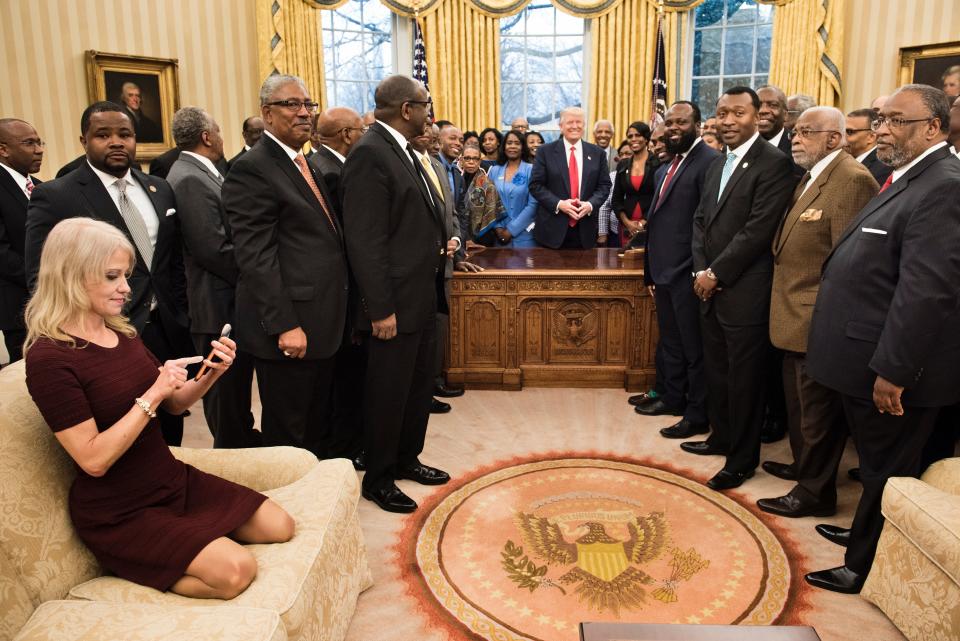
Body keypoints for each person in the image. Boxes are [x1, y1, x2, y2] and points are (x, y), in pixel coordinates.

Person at [23, 217, 293, 598]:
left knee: (281, 526)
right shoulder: (50, 358)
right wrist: (152, 393)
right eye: (112, 276)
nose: (125, 288)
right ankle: (135, 562)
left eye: (126, 276)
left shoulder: (120, 331)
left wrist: (211, 373)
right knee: (236, 573)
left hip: (168, 480)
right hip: (120, 510)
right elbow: (93, 459)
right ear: (72, 275)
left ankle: (186, 542)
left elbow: (175, 404)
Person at [804, 85, 960, 594]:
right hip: (861, 354)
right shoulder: (908, 176)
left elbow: (926, 292)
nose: (882, 129)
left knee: (886, 469)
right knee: (874, 465)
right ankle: (863, 534)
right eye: (880, 119)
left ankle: (864, 566)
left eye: (896, 121)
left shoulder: (944, 185)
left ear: (933, 127)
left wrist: (893, 370)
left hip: (891, 371)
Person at [25, 101, 193, 445]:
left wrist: (181, 311)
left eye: (125, 134)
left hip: (166, 329)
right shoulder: (57, 195)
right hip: (102, 335)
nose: (116, 142)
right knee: (119, 431)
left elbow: (172, 263)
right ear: (84, 140)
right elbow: (41, 276)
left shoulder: (159, 189)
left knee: (170, 425)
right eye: (103, 135)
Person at [755, 107, 878, 519]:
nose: (795, 138)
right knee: (801, 410)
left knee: (816, 414)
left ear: (833, 138)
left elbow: (848, 265)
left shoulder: (852, 180)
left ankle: (814, 492)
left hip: (816, 320)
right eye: (795, 131)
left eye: (806, 132)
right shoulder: (812, 176)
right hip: (792, 314)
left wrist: (827, 320)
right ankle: (806, 469)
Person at [341, 75, 453, 514]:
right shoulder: (370, 153)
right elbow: (365, 242)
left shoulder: (405, 151)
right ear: (407, 109)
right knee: (389, 392)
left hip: (421, 296)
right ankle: (380, 477)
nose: (430, 112)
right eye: (426, 104)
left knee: (416, 386)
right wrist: (380, 308)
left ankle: (408, 458)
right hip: (393, 304)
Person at [222, 75, 347, 459]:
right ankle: (286, 507)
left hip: (322, 320)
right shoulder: (253, 168)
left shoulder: (303, 162)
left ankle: (314, 501)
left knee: (316, 424)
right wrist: (285, 325)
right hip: (291, 326)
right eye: (292, 104)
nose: (304, 113)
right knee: (288, 432)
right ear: (267, 114)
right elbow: (256, 257)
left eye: (308, 105)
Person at [684, 86, 798, 490]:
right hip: (708, 287)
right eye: (722, 113)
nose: (728, 121)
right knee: (717, 371)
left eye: (738, 113)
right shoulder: (717, 162)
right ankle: (723, 437)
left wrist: (716, 273)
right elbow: (700, 221)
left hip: (744, 291)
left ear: (756, 116)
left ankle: (742, 460)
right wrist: (701, 270)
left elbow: (758, 230)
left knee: (745, 380)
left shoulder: (774, 164)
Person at [166, 107, 259, 449]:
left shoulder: (202, 171)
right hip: (215, 302)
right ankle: (231, 451)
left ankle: (242, 438)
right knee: (222, 389)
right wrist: (256, 274)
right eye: (218, 131)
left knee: (234, 388)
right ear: (207, 136)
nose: (222, 137)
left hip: (225, 297)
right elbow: (212, 248)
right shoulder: (189, 176)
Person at [641, 101, 719, 438]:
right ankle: (673, 398)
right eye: (669, 122)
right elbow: (658, 224)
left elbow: (708, 226)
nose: (673, 128)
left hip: (689, 274)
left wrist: (698, 271)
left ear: (698, 125)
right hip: (664, 272)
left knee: (694, 349)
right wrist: (651, 271)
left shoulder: (711, 163)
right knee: (672, 342)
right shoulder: (666, 167)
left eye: (681, 122)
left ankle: (697, 413)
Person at [408, 122, 468, 415]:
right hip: (419, 264)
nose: (431, 140)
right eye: (428, 136)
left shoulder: (438, 166)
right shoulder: (408, 166)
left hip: (444, 261)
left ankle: (432, 381)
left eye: (434, 137)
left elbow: (451, 212)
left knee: (437, 326)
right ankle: (423, 389)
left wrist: (455, 239)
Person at [530, 107, 611, 249]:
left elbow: (604, 186)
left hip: (585, 231)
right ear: (561, 126)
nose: (575, 126)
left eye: (579, 122)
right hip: (551, 231)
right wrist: (559, 204)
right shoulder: (545, 151)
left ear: (584, 126)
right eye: (570, 122)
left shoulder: (598, 153)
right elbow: (535, 185)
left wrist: (591, 204)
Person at [0, 118, 43, 364]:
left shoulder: (38, 186)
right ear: (3, 149)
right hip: (19, 305)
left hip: (49, 304)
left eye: (39, 142)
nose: (39, 150)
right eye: (29, 143)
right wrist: (43, 279)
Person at [308, 106, 365, 215]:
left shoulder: (314, 161)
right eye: (363, 130)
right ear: (346, 134)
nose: (365, 135)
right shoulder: (333, 176)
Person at [488, 130, 538, 247]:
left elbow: (533, 205)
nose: (513, 146)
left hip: (525, 237)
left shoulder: (531, 170)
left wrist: (510, 230)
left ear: (522, 147)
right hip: (499, 237)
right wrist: (498, 228)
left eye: (517, 143)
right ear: (504, 146)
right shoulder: (494, 171)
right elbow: (489, 203)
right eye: (509, 143)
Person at [611, 121, 656, 248]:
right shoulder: (623, 164)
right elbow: (616, 199)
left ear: (646, 138)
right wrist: (627, 223)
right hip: (626, 226)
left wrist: (643, 223)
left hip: (651, 223)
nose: (633, 139)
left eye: (638, 135)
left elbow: (658, 198)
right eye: (630, 136)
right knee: (625, 262)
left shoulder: (657, 163)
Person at [459, 142, 505, 245]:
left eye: (475, 159)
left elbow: (492, 213)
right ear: (461, 160)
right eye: (467, 158)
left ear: (480, 161)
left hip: (483, 237)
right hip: (458, 235)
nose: (471, 162)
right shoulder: (455, 180)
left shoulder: (488, 185)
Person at [758, 85, 804, 178]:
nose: (763, 110)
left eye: (772, 105)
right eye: (757, 105)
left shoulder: (801, 147)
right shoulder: (738, 146)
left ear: (785, 115)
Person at [845, 108, 893, 184]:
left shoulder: (882, 169)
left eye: (850, 132)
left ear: (871, 137)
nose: (843, 137)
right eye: (842, 131)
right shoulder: (845, 162)